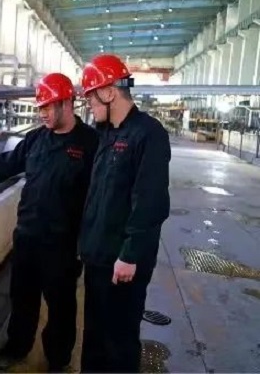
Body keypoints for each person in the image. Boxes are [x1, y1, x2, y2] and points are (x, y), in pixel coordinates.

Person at [0, 73, 98, 371]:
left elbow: (99, 196)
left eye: (48, 106)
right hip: (28, 236)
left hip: (63, 243)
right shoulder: (36, 139)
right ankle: (17, 347)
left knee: (61, 305)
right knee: (22, 298)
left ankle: (58, 359)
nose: (42, 113)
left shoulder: (90, 143)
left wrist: (90, 242)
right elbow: (6, 164)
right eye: (40, 107)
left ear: (67, 103)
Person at [78, 54, 171, 373]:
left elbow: (150, 201)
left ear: (109, 92)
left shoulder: (148, 133)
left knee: (118, 338)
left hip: (123, 261)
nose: (90, 105)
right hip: (98, 255)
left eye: (91, 97)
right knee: (94, 334)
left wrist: (130, 255)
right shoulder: (107, 133)